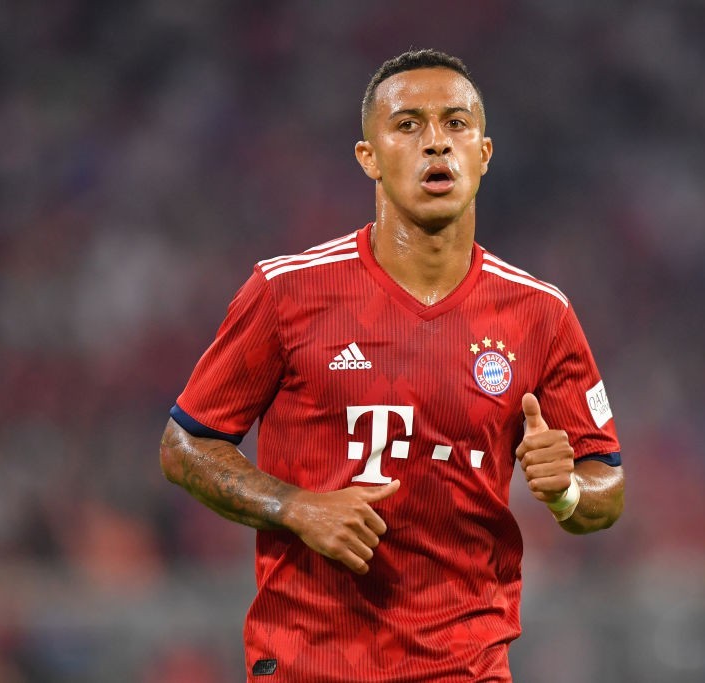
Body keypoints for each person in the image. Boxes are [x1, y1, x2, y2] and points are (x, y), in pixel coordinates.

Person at [160, 48, 624, 682]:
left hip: (466, 667)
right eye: (408, 125)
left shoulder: (540, 314)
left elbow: (607, 488)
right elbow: (185, 445)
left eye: (456, 124)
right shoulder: (286, 293)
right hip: (309, 665)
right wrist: (296, 506)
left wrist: (568, 489)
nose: (437, 143)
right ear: (368, 157)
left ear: (484, 154)